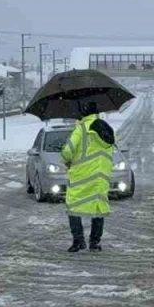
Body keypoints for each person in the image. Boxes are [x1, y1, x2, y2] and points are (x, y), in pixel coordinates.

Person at [60, 102, 115, 252]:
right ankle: (95, 242)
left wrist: (67, 161)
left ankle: (78, 241)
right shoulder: (105, 129)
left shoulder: (81, 129)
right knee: (98, 207)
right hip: (100, 177)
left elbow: (67, 151)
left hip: (81, 176)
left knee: (73, 206)